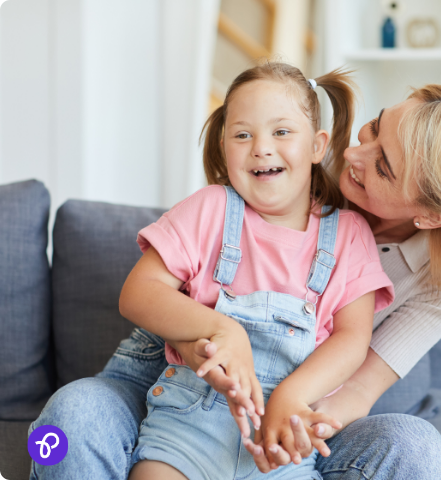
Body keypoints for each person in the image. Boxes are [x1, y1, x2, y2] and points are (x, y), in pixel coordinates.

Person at [29, 76, 441, 479]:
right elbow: (161, 286)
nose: (354, 155)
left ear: (432, 215)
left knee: (419, 448)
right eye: (374, 127)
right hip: (176, 368)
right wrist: (205, 338)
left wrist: (290, 421)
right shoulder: (277, 171)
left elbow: (355, 378)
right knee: (65, 420)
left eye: (382, 165)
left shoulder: (414, 268)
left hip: (300, 395)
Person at [120, 62, 394, 480]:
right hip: (186, 429)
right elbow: (139, 293)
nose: (261, 148)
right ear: (224, 145)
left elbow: (353, 337)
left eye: (281, 132)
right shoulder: (209, 208)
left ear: (318, 146)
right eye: (242, 134)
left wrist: (292, 394)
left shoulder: (349, 234)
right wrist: (225, 330)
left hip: (281, 440)